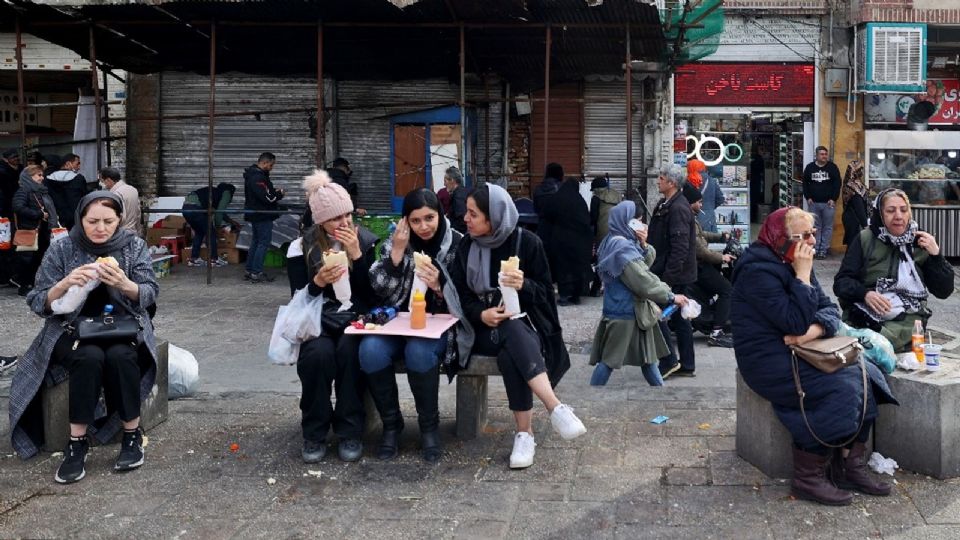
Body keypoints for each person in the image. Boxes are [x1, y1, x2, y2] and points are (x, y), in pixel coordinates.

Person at [731, 206, 897, 505]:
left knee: (867, 373)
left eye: (813, 232)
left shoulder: (793, 258)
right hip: (767, 359)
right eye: (803, 234)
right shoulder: (758, 270)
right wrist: (803, 277)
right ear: (780, 238)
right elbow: (793, 320)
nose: (811, 239)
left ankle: (850, 464)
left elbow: (830, 309)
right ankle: (808, 477)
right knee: (842, 386)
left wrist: (814, 330)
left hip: (801, 346)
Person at [8, 191, 160, 484]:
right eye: (92, 221)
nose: (100, 228)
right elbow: (38, 300)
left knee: (121, 356)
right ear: (80, 219)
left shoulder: (133, 246)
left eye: (108, 221)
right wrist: (65, 283)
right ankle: (77, 442)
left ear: (119, 220)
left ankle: (132, 434)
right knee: (88, 357)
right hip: (71, 329)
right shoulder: (63, 248)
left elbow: (150, 292)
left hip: (123, 326)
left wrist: (126, 284)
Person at [450, 183, 585, 469]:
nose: (466, 219)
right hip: (480, 331)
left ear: (493, 217)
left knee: (511, 350)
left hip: (526, 328)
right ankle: (554, 407)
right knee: (510, 334)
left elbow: (546, 294)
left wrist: (523, 285)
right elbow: (459, 296)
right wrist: (481, 314)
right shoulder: (466, 246)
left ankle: (525, 435)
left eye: (473, 214)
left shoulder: (526, 243)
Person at [362, 188, 464, 462]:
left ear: (440, 215)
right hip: (398, 322)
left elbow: (467, 299)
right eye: (416, 220)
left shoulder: (458, 244)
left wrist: (440, 287)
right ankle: (391, 425)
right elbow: (379, 290)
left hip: (440, 326)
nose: (424, 227)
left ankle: (429, 428)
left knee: (419, 353)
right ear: (406, 221)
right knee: (370, 350)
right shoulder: (397, 242)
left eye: (429, 218)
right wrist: (395, 253)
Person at [296, 170, 378, 464]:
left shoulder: (366, 241)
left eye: (347, 215)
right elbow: (298, 297)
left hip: (355, 320)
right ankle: (314, 432)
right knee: (317, 356)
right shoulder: (303, 247)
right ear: (320, 221)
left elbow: (372, 296)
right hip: (319, 320)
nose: (344, 223)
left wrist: (359, 256)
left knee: (349, 352)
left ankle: (349, 430)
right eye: (335, 219)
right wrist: (317, 281)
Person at [833, 188, 954, 352]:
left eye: (904, 210)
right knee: (864, 337)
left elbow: (944, 291)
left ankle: (873, 338)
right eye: (890, 211)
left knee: (876, 342)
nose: (898, 216)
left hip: (907, 317)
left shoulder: (920, 242)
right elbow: (841, 283)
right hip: (865, 311)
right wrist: (865, 294)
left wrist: (936, 256)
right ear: (880, 214)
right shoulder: (865, 239)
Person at [590, 200, 687, 387]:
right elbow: (642, 279)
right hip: (626, 313)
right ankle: (592, 398)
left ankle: (662, 396)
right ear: (627, 221)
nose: (642, 225)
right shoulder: (622, 249)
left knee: (648, 361)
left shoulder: (612, 240)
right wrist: (671, 296)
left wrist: (644, 244)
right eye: (638, 221)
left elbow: (643, 266)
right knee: (609, 362)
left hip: (630, 310)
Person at [647, 163, 698, 378]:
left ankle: (669, 361)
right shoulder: (666, 203)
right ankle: (686, 364)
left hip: (674, 274)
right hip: (669, 270)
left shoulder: (678, 208)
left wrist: (667, 280)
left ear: (672, 183)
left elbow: (680, 247)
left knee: (655, 315)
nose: (657, 180)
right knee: (679, 319)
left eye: (661, 177)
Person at [682, 183, 734, 348]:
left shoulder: (690, 217)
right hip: (698, 266)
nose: (701, 205)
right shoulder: (687, 219)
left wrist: (720, 237)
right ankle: (716, 333)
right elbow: (700, 250)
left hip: (698, 264)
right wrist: (722, 258)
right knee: (726, 290)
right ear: (691, 202)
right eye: (699, 202)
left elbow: (701, 235)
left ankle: (711, 316)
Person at [542, 176, 593, 306]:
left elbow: (547, 217)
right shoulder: (580, 201)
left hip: (560, 240)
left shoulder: (556, 199)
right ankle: (576, 296)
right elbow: (587, 221)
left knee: (562, 268)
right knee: (577, 268)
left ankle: (564, 296)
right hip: (578, 242)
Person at [12, 165, 60, 297]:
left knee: (39, 258)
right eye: (38, 175)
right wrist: (38, 214)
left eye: (42, 175)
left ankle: (35, 283)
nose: (42, 178)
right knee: (27, 259)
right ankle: (24, 285)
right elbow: (18, 207)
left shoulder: (41, 191)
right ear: (29, 177)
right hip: (29, 230)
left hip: (42, 231)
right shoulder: (23, 191)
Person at [243, 152, 284, 283]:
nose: (272, 168)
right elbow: (268, 197)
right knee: (263, 243)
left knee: (256, 241)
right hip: (262, 215)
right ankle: (256, 272)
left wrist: (273, 192)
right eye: (271, 165)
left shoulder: (255, 176)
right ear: (264, 163)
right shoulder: (257, 178)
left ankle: (250, 270)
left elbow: (266, 193)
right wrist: (279, 194)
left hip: (257, 214)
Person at [182, 182, 240, 267]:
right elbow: (219, 213)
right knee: (211, 233)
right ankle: (214, 259)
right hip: (196, 209)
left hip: (186, 209)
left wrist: (231, 221)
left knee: (199, 232)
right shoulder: (227, 193)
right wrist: (217, 227)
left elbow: (219, 212)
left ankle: (194, 259)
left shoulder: (214, 193)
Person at [802, 146, 842, 259]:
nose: (824, 156)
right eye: (822, 154)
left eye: (825, 154)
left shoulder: (832, 168)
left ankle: (823, 250)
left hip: (828, 204)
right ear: (816, 155)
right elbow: (805, 183)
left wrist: (833, 198)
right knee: (816, 226)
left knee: (827, 227)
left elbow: (837, 183)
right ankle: (816, 248)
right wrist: (808, 197)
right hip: (813, 203)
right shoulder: (810, 168)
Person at [588, 176, 621, 296]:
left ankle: (596, 288)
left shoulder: (596, 198)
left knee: (600, 260)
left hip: (602, 233)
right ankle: (616, 288)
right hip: (618, 232)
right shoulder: (617, 196)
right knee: (616, 259)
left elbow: (593, 218)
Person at [45, 153, 89, 230]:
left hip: (55, 217)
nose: (79, 167)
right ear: (68, 164)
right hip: (75, 218)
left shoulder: (48, 179)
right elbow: (84, 197)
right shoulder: (78, 178)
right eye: (77, 163)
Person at [533, 162, 563, 276]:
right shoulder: (561, 188)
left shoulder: (538, 189)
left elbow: (535, 208)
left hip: (542, 226)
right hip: (558, 226)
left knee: (544, 254)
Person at [99, 167, 142, 236]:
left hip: (121, 235)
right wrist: (139, 232)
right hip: (133, 232)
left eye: (102, 181)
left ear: (108, 180)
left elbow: (119, 218)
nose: (101, 184)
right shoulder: (132, 189)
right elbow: (138, 213)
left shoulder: (116, 194)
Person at [0, 148, 22, 288]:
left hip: (13, 211)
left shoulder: (19, 169)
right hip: (7, 212)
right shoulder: (3, 172)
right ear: (6, 159)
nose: (16, 159)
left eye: (16, 156)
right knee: (6, 243)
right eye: (13, 157)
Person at [688, 159, 724, 233]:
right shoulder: (711, 181)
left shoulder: (688, 180)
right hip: (708, 218)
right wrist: (709, 208)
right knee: (707, 240)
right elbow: (720, 199)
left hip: (691, 217)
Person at [840, 158, 869, 246]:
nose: (862, 172)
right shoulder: (853, 186)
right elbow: (858, 206)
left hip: (851, 218)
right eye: (860, 169)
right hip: (854, 220)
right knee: (854, 245)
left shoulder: (855, 183)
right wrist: (865, 224)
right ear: (855, 170)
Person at [443, 166, 468, 234]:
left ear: (452, 180)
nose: (444, 184)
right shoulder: (462, 191)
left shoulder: (458, 196)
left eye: (445, 181)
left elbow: (462, 221)